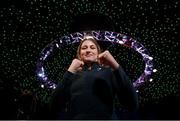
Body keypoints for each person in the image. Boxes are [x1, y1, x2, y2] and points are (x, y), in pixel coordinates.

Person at [49, 35, 138, 120]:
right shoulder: (72, 75)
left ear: (98, 53)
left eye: (92, 47)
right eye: (84, 48)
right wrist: (70, 71)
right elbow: (54, 106)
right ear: (79, 54)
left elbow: (132, 103)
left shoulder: (108, 72)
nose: (88, 50)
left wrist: (115, 64)